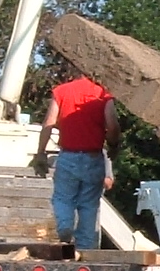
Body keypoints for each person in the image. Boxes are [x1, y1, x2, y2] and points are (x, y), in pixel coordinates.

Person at [32, 67, 120, 251]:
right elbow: (112, 125)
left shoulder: (62, 91)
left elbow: (48, 123)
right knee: (89, 204)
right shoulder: (102, 94)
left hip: (68, 156)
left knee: (63, 198)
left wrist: (40, 152)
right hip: (94, 158)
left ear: (73, 73)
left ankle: (65, 228)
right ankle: (85, 249)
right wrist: (113, 145)